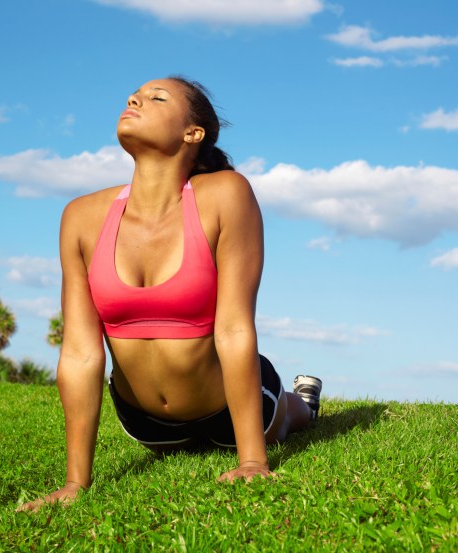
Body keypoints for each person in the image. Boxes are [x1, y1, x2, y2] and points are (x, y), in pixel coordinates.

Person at [18, 76, 322, 512]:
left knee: (290, 417)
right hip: (146, 424)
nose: (134, 99)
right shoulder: (81, 216)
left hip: (231, 409)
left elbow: (235, 326)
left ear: (192, 133)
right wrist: (74, 483)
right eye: (133, 95)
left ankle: (303, 402)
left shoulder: (225, 194)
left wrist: (253, 460)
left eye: (156, 98)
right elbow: (81, 353)